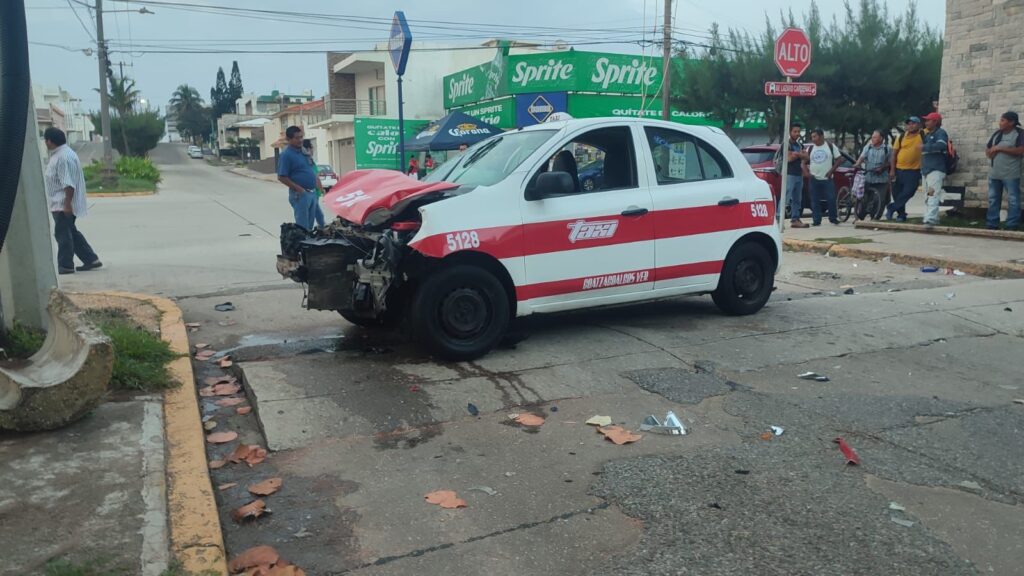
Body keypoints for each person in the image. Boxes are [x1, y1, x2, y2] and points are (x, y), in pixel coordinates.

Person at [43, 127, 101, 275]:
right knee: (70, 232)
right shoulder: (64, 154)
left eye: (46, 140)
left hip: (62, 203)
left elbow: (68, 184)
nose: (45, 143)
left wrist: (67, 204)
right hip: (62, 203)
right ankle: (90, 259)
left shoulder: (62, 157)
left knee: (63, 234)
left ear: (50, 141)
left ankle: (66, 265)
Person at [985, 111, 1024, 230]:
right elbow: (988, 149)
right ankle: (992, 224)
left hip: (1011, 174)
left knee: (1013, 200)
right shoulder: (997, 134)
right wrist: (991, 153)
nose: (1000, 123)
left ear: (1011, 122)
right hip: (995, 174)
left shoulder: (1019, 133)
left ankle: (1012, 225)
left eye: (1003, 120)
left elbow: (1020, 151)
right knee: (993, 200)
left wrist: (1000, 148)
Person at [277, 126, 319, 230]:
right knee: (302, 227)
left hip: (312, 193)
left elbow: (310, 169)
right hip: (300, 195)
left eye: (301, 137)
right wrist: (299, 189)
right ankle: (302, 246)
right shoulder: (286, 155)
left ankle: (309, 246)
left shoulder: (304, 151)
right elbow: (281, 177)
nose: (300, 140)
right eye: (297, 138)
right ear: (289, 139)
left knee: (309, 227)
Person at [803, 128, 844, 226]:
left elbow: (839, 159)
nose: (813, 139)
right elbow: (803, 162)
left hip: (827, 178)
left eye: (815, 136)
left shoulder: (830, 146)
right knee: (814, 200)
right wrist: (807, 173)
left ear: (821, 136)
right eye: (812, 137)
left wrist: (831, 171)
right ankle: (816, 220)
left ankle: (833, 218)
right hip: (814, 179)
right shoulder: (810, 149)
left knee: (831, 198)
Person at [886, 116, 925, 221]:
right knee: (897, 193)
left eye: (913, 123)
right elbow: (894, 154)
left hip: (913, 171)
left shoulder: (923, 135)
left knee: (909, 191)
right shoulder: (901, 136)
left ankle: (892, 207)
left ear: (919, 125)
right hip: (899, 170)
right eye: (909, 124)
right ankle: (901, 215)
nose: (910, 126)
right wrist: (892, 170)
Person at [920, 112, 949, 226]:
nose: (926, 122)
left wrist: (925, 147)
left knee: (932, 194)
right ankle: (932, 217)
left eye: (929, 120)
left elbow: (941, 145)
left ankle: (930, 219)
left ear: (935, 122)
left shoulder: (940, 133)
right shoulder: (927, 135)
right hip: (926, 169)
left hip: (935, 169)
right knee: (927, 195)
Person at [853, 130, 892, 213]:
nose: (872, 139)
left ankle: (876, 216)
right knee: (865, 198)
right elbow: (861, 158)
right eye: (872, 137)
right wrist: (857, 164)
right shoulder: (868, 147)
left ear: (881, 138)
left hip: (882, 179)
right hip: (869, 177)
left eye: (875, 137)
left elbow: (890, 162)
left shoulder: (887, 149)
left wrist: (882, 168)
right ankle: (862, 213)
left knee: (880, 200)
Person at [782, 123, 808, 228]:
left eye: (799, 131)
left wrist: (796, 154)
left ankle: (795, 219)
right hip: (789, 174)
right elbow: (789, 158)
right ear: (790, 132)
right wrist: (798, 155)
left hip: (798, 174)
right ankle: (779, 219)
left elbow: (806, 157)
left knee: (797, 199)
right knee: (786, 198)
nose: (797, 134)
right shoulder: (786, 144)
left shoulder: (799, 145)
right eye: (795, 131)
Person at [302, 138, 326, 228]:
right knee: (314, 217)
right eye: (312, 148)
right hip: (311, 193)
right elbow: (315, 178)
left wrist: (321, 190)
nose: (313, 150)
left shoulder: (311, 161)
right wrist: (321, 189)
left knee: (317, 215)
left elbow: (316, 178)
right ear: (308, 149)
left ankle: (323, 228)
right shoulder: (308, 161)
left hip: (314, 193)